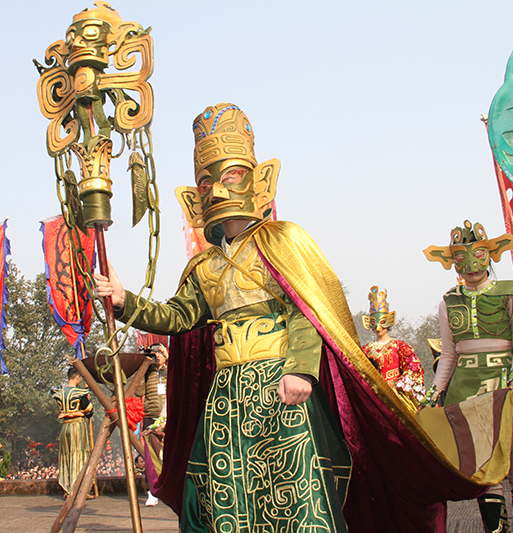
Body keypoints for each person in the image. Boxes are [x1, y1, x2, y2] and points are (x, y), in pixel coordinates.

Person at [96, 103, 353, 532]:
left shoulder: (282, 240)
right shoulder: (205, 265)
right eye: (205, 182)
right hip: (226, 397)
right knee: (225, 500)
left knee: (293, 498)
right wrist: (125, 302)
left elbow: (306, 312)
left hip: (281, 387)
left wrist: (302, 372)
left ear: (260, 179)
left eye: (230, 174)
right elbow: (178, 316)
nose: (216, 191)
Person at [424, 220, 513, 533]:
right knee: (486, 475)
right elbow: (448, 355)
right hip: (468, 390)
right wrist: (433, 393)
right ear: (452, 262)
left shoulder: (512, 295)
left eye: (479, 255)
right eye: (462, 258)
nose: (471, 265)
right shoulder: (448, 302)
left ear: (491, 255)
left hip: (509, 387)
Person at [361, 285, 425, 411]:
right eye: (374, 323)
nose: (378, 327)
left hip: (397, 397)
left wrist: (399, 386)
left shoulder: (400, 346)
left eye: (383, 322)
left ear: (390, 320)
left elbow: (413, 366)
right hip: (373, 397)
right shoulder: (365, 350)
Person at [52, 366, 93, 497]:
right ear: (77, 377)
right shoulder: (80, 393)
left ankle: (68, 488)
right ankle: (79, 490)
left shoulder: (59, 394)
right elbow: (89, 412)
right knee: (79, 455)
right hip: (77, 427)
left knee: (67, 455)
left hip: (65, 427)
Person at [137, 342, 168, 506]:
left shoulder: (169, 372)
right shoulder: (147, 373)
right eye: (154, 354)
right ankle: (152, 491)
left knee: (170, 453)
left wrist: (168, 361)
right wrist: (143, 368)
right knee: (151, 456)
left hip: (168, 417)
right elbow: (138, 391)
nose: (157, 357)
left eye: (160, 354)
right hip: (150, 416)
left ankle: (171, 488)